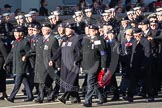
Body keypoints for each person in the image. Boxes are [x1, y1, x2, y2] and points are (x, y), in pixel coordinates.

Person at [23, 23, 59, 103]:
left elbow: (56, 53)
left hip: (47, 64)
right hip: (39, 63)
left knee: (42, 82)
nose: (43, 31)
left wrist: (54, 62)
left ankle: (40, 97)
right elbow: (33, 50)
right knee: (45, 82)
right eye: (42, 29)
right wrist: (26, 55)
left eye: (45, 29)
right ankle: (51, 96)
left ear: (49, 30)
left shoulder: (53, 39)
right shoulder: (39, 39)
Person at [49, 23, 82, 104]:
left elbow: (80, 53)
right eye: (66, 29)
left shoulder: (76, 40)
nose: (66, 31)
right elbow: (58, 51)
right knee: (71, 81)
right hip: (64, 64)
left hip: (73, 64)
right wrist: (52, 60)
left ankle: (65, 97)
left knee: (69, 81)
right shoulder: (64, 39)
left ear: (73, 30)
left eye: (68, 29)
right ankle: (76, 97)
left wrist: (76, 61)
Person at [4, 27, 33, 103]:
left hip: (22, 66)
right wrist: (6, 62)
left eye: (17, 33)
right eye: (15, 33)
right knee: (25, 81)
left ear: (22, 34)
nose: (16, 35)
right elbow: (11, 54)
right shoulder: (15, 42)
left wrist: (25, 56)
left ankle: (11, 97)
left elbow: (31, 51)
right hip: (16, 65)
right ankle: (30, 96)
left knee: (17, 83)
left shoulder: (25, 42)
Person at [81, 25, 108, 107]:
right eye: (89, 30)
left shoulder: (100, 40)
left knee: (90, 83)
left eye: (92, 30)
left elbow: (103, 54)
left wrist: (103, 66)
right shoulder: (86, 40)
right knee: (95, 84)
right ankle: (102, 98)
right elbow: (82, 52)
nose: (90, 32)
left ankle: (88, 100)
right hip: (87, 64)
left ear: (96, 31)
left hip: (95, 65)